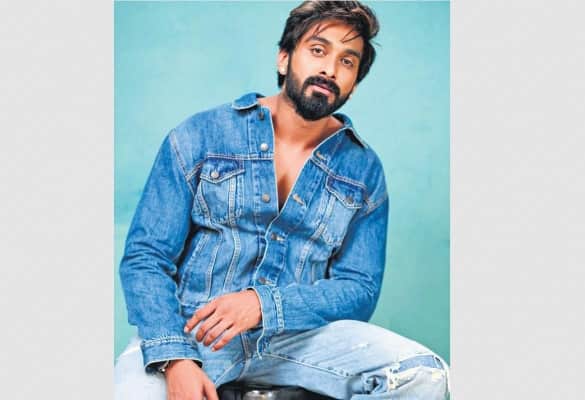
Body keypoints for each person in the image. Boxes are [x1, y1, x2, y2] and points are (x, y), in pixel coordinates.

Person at [115, 1, 449, 399]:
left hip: (297, 339)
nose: (330, 69)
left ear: (354, 83)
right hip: (193, 331)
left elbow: (359, 288)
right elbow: (146, 257)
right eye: (318, 50)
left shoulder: (363, 170)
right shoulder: (201, 135)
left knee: (424, 374)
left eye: (347, 61)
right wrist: (175, 357)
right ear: (284, 57)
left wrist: (263, 305)